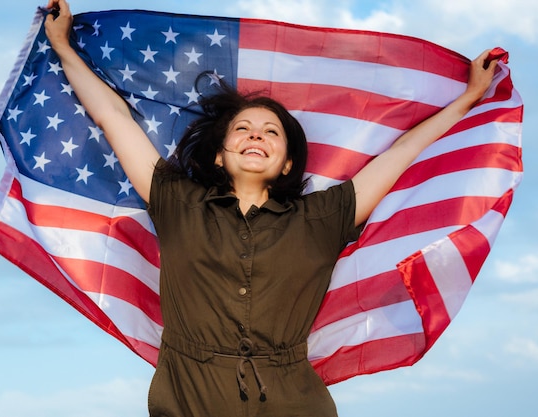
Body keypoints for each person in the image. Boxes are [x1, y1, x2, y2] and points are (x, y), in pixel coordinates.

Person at [44, 1, 499, 416]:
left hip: (293, 403)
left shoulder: (320, 219)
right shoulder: (176, 200)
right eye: (242, 128)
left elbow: (401, 153)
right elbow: (114, 118)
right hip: (187, 399)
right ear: (220, 155)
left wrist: (467, 98)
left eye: (271, 132)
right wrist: (63, 47)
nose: (256, 135)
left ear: (286, 165)